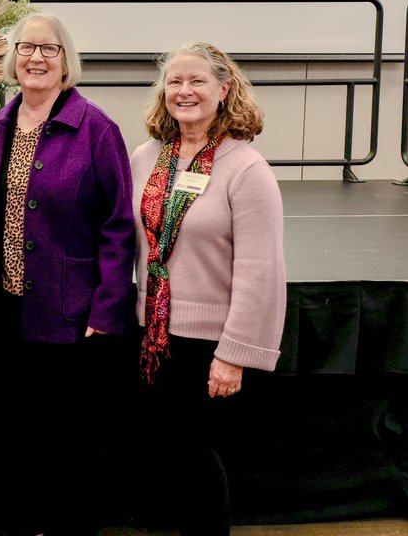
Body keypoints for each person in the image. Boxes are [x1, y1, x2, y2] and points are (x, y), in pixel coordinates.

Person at [0, 13, 135, 535]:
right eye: (26, 48)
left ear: (67, 61)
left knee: (69, 439)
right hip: (8, 314)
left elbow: (118, 226)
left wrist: (108, 309)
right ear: (12, 58)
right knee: (17, 431)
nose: (36, 58)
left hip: (70, 317)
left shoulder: (96, 128)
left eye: (49, 49)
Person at [132, 42, 287, 535]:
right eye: (175, 81)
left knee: (195, 457)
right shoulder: (146, 157)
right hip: (152, 335)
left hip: (208, 344)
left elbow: (261, 268)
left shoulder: (246, 169)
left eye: (197, 81)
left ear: (224, 89)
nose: (184, 91)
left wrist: (234, 353)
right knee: (166, 456)